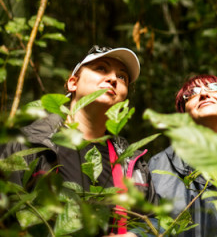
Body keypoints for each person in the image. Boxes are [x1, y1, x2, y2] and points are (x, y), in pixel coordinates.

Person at [1, 45, 155, 235]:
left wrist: (137, 234)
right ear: (73, 83)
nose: (113, 78)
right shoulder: (27, 144)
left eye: (122, 77)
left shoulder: (133, 163)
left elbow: (155, 222)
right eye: (101, 69)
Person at [148, 74, 217, 237]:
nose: (203, 94)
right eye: (192, 93)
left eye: (214, 87)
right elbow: (146, 225)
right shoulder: (158, 166)